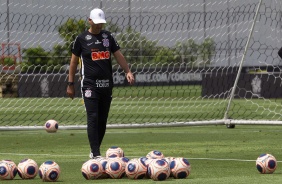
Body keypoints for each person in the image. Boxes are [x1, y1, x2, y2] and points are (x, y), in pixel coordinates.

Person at [66, 8, 135, 159]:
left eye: (101, 23)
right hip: (89, 84)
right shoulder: (81, 38)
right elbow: (72, 62)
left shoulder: (108, 37)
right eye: (96, 23)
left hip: (106, 85)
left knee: (102, 120)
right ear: (89, 20)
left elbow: (118, 55)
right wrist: (70, 83)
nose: (99, 26)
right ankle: (96, 154)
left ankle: (94, 151)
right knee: (93, 116)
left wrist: (127, 71)